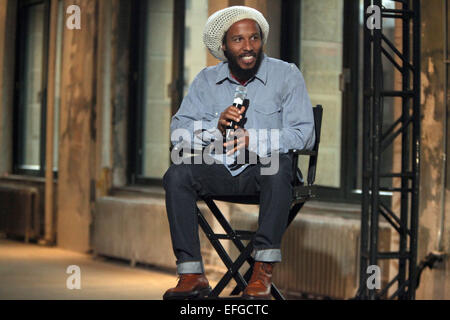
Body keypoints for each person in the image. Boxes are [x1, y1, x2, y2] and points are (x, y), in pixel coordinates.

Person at [162, 6, 315, 300]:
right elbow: (178, 131)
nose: (248, 47)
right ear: (224, 46)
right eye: (238, 40)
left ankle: (262, 272)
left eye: (254, 38)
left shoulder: (286, 75)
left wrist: (254, 140)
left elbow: (304, 134)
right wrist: (214, 127)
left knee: (277, 164)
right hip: (221, 169)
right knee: (177, 173)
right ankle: (191, 274)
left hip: (266, 174)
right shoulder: (206, 80)